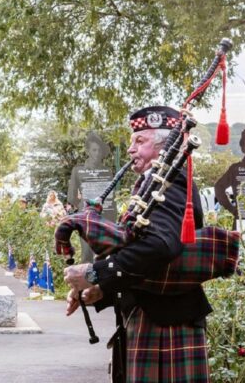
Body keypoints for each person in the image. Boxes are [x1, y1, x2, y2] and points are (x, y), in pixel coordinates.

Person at [64, 106, 211, 382]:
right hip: (154, 318)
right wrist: (102, 289)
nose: (131, 149)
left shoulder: (171, 182)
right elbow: (141, 255)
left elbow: (160, 247)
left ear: (164, 147)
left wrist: (94, 273)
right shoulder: (151, 184)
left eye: (140, 141)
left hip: (167, 324)